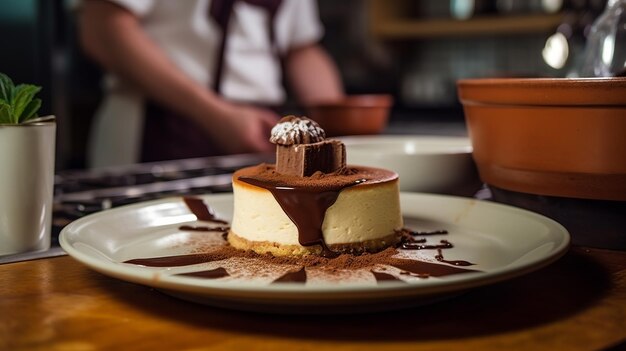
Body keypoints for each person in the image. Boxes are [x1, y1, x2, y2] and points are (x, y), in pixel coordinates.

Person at [79, 0, 344, 168]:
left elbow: (300, 47)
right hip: (160, 133)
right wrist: (216, 115)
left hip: (258, 136)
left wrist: (338, 121)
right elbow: (102, 26)